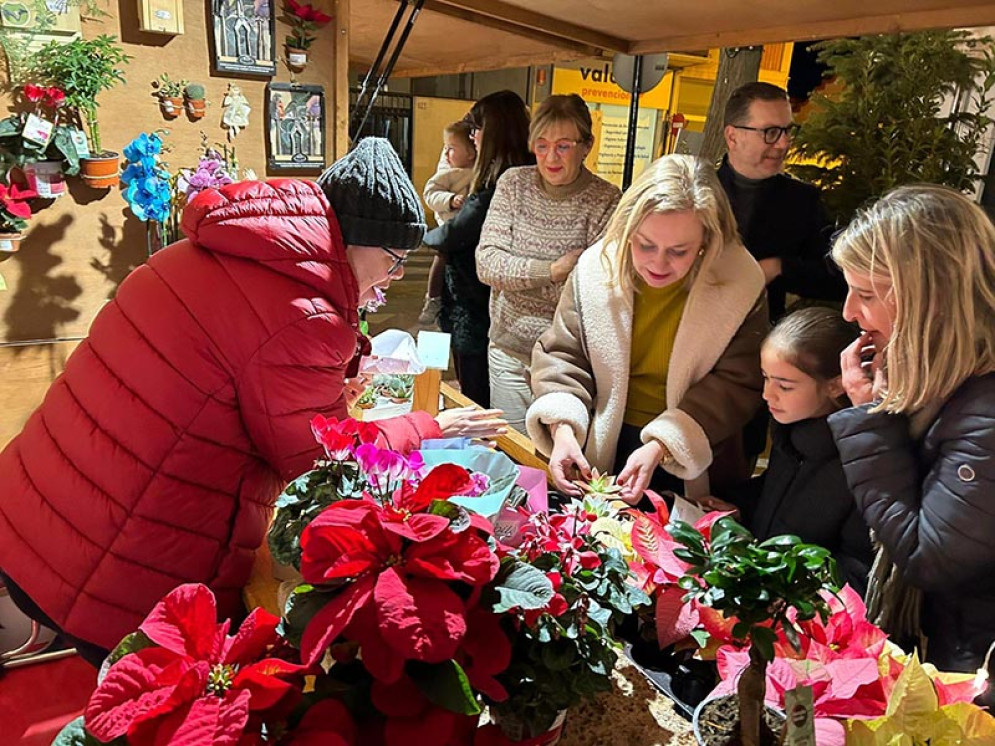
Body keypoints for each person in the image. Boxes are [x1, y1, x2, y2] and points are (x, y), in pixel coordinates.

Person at [0, 137, 506, 664]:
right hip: (119, 558)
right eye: (394, 260)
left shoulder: (216, 251)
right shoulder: (306, 313)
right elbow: (317, 455)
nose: (393, 276)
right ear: (356, 240)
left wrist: (330, 384)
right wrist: (428, 426)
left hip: (41, 510)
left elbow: (229, 375)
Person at [526, 154, 768, 503]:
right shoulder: (596, 267)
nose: (658, 263)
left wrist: (663, 444)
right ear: (626, 229)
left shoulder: (740, 282)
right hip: (601, 434)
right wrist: (563, 428)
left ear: (707, 241)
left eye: (679, 251)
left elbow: (738, 380)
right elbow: (563, 353)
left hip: (697, 447)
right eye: (645, 244)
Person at [828, 184, 995, 687]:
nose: (848, 312)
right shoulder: (938, 376)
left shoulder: (985, 412)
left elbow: (929, 556)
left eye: (868, 293)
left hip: (968, 661)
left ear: (930, 297)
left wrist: (869, 417)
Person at [477, 93, 621, 432]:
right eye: (541, 146)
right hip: (508, 349)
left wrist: (517, 276)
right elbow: (488, 264)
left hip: (566, 361)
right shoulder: (514, 184)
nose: (550, 157)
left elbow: (591, 290)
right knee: (512, 450)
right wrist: (553, 270)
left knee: (559, 458)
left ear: (587, 145)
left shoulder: (605, 199)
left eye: (563, 146)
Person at [703, 307, 873, 594]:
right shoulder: (791, 429)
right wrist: (740, 507)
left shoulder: (859, 463)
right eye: (766, 378)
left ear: (835, 385)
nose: (767, 394)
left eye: (784, 385)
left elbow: (856, 570)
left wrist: (778, 578)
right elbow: (776, 492)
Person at [423, 92, 533, 408]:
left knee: (478, 401)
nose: (473, 136)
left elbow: (453, 236)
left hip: (476, 312)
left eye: (477, 127)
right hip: (480, 310)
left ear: (494, 130)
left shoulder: (499, 185)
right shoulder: (511, 177)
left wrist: (423, 237)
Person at [719, 82, 845, 321]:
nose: (784, 144)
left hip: (761, 340)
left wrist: (779, 268)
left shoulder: (802, 201)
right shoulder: (698, 192)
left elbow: (838, 278)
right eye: (770, 132)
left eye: (787, 131)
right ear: (732, 137)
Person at [418, 120, 477, 326]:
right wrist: (450, 200)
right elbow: (430, 194)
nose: (446, 153)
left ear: (471, 152)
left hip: (469, 229)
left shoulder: (479, 168)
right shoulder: (447, 171)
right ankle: (432, 299)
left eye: (451, 148)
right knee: (441, 259)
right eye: (446, 148)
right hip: (450, 227)